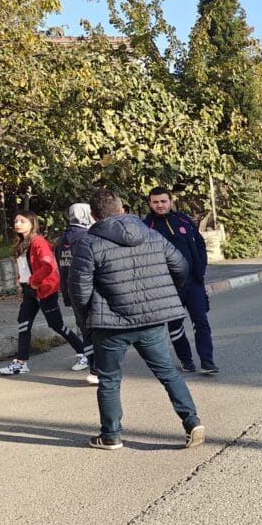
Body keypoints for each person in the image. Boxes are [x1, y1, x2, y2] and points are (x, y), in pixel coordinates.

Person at [70, 189, 206, 451]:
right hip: (151, 321)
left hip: (109, 324)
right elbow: (181, 266)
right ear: (122, 210)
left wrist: (86, 318)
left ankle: (111, 436)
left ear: (94, 216)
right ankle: (192, 422)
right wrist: (161, 294)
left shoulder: (88, 243)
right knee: (167, 372)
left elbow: (79, 290)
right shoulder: (152, 234)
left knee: (109, 380)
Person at [0, 210, 89, 376]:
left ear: (32, 223)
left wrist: (33, 281)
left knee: (56, 324)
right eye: (16, 221)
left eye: (22, 221)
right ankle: (21, 363)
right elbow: (25, 266)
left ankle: (84, 353)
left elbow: (47, 266)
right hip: (30, 291)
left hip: (44, 290)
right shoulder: (22, 243)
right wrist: (21, 280)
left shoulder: (38, 242)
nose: (18, 224)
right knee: (23, 324)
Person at [142, 187, 218, 374]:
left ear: (170, 201)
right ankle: (186, 359)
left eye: (163, 201)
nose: (160, 205)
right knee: (175, 326)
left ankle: (207, 361)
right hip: (167, 286)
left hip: (193, 283)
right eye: (155, 202)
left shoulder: (184, 220)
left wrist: (200, 268)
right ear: (150, 203)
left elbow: (199, 245)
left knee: (201, 321)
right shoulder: (146, 227)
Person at [56, 203, 99, 385]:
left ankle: (93, 369)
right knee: (98, 332)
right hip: (91, 292)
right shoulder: (88, 238)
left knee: (85, 332)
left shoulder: (60, 241)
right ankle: (100, 369)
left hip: (71, 292)